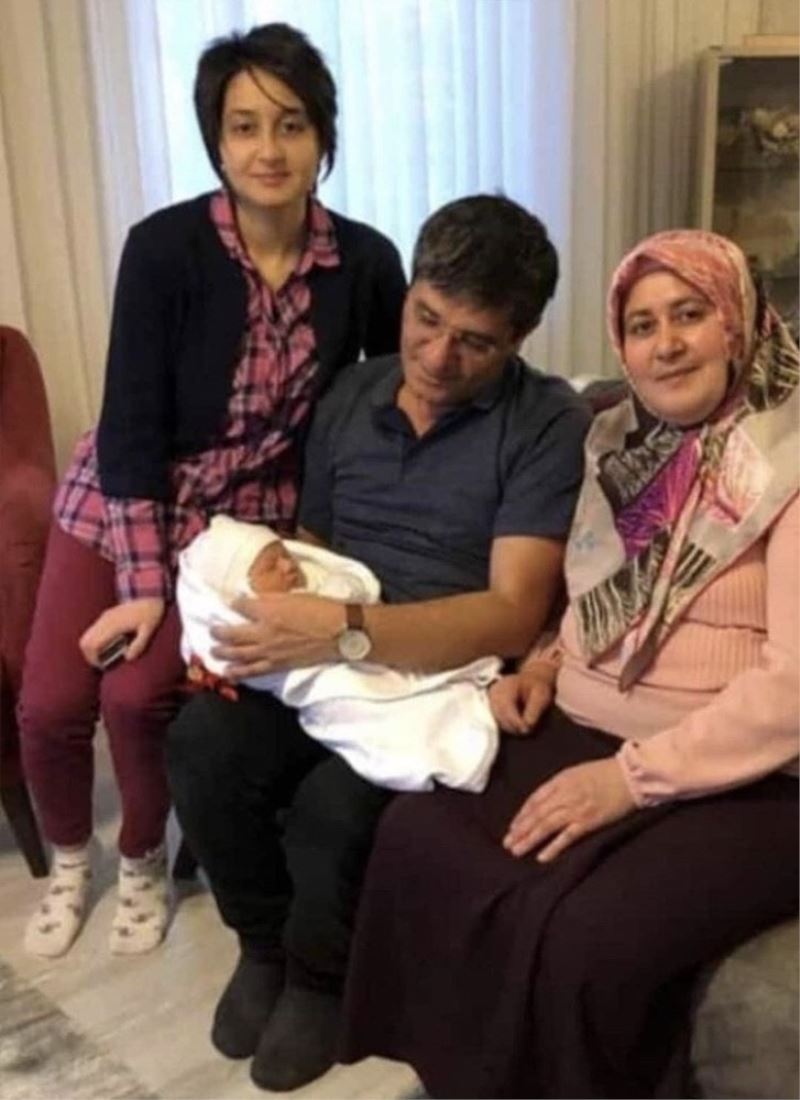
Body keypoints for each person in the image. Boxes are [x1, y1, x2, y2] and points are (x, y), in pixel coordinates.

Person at [339, 229, 800, 1099]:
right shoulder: (618, 443)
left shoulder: (791, 458)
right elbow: (588, 593)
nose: (665, 344)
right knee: (416, 834)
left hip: (753, 774)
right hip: (591, 722)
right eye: (642, 325)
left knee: (590, 936)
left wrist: (630, 780)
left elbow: (793, 692)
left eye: (690, 315)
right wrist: (546, 663)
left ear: (738, 323)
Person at [165, 193, 591, 1091]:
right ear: (410, 291)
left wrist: (347, 633)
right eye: (425, 319)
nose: (436, 358)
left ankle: (321, 981)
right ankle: (263, 945)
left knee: (337, 805)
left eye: (474, 342)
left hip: (442, 671)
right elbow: (318, 547)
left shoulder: (547, 422)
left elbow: (513, 612)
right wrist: (267, 609)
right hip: (333, 645)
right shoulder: (354, 393)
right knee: (202, 744)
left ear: (520, 338)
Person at [18, 22, 406, 961]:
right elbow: (131, 426)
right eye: (244, 126)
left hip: (238, 531)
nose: (268, 149)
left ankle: (141, 858)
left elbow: (381, 406)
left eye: (291, 123)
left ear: (323, 136)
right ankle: (70, 861)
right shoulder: (164, 249)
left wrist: (331, 543)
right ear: (216, 141)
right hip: (121, 500)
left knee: (137, 697)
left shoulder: (363, 261)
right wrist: (146, 586)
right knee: (52, 702)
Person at [178, 515, 501, 792]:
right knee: (199, 739)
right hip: (312, 683)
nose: (288, 565)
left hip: (380, 639)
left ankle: (442, 728)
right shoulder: (241, 614)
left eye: (285, 555)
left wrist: (335, 618)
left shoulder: (314, 583)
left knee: (330, 807)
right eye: (271, 566)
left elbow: (348, 591)